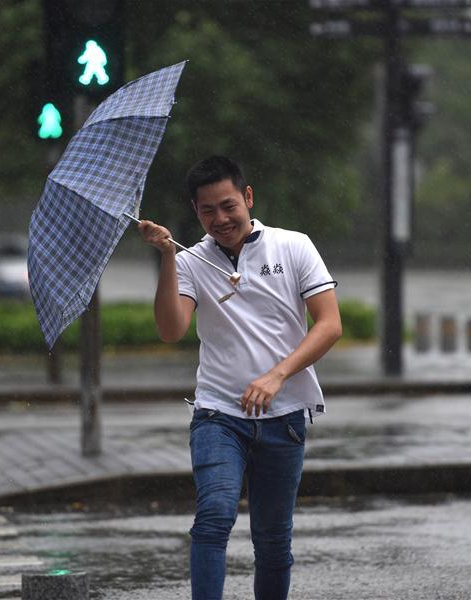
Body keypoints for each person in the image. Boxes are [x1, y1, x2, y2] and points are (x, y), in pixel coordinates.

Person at [138, 156, 342, 600]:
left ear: (248, 197)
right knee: (213, 516)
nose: (220, 219)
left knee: (272, 540)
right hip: (218, 415)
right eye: (207, 210)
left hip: (284, 416)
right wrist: (169, 257)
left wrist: (277, 375)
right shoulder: (191, 261)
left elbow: (329, 325)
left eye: (228, 205)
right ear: (195, 211)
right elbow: (171, 330)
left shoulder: (293, 246)